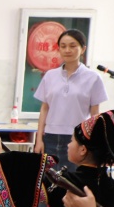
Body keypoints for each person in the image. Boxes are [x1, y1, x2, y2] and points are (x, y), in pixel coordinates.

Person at [31, 29, 107, 170]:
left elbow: (95, 112)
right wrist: (39, 140)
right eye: (63, 46)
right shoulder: (50, 76)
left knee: (72, 183)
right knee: (48, 183)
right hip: (50, 138)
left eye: (73, 46)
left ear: (83, 49)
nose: (67, 50)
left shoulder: (93, 78)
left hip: (77, 139)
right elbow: (44, 108)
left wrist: (92, 142)